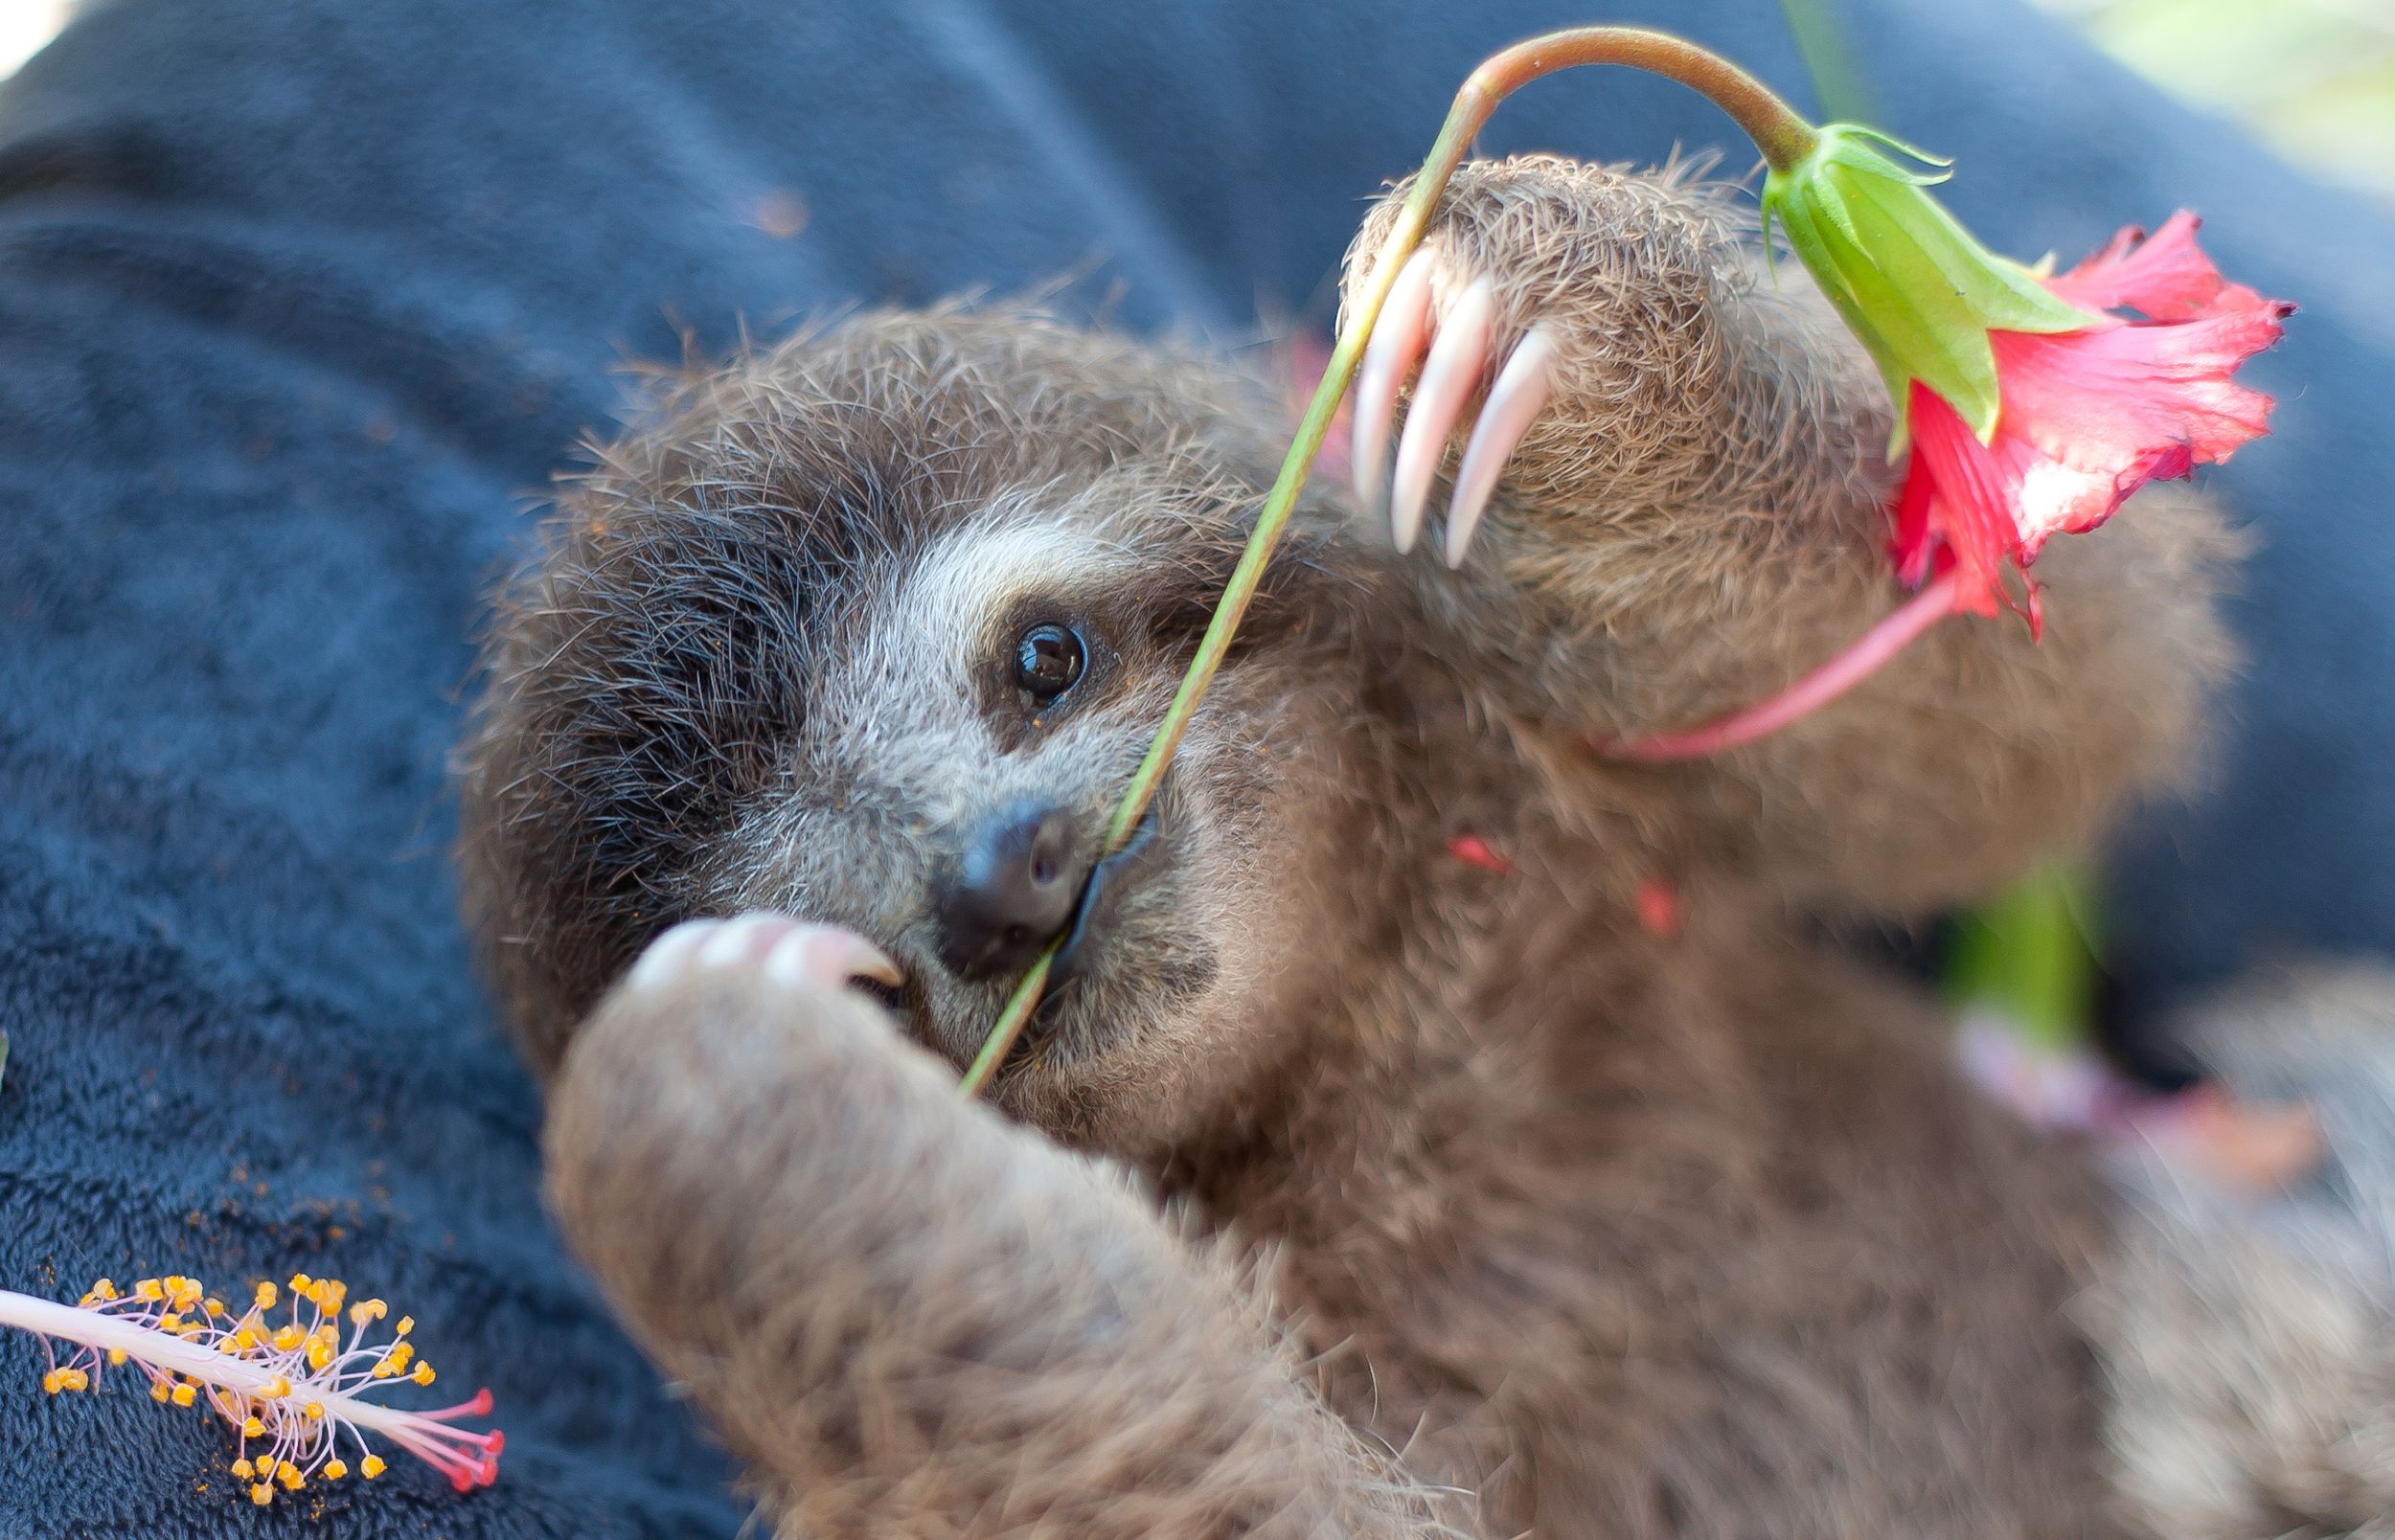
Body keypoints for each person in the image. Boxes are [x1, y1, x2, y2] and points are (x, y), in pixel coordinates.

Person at [0, 0, 2383, 1531]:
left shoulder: (1438, 668)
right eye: (884, 971)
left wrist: (1667, 418)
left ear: (1224, 540)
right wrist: (881, 1312)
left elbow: (2029, 779)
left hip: (2225, 1316)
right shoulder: (1212, 1319)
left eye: (1036, 664)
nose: (1008, 865)